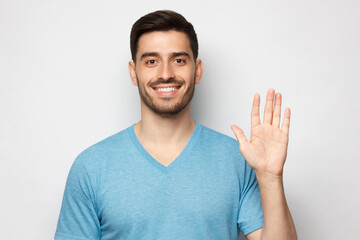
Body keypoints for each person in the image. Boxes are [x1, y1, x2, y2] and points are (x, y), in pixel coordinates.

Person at [55, 10, 297, 240]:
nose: (165, 73)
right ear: (133, 72)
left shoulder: (238, 160)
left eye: (179, 60)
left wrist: (270, 177)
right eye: (151, 61)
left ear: (197, 70)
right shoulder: (91, 167)